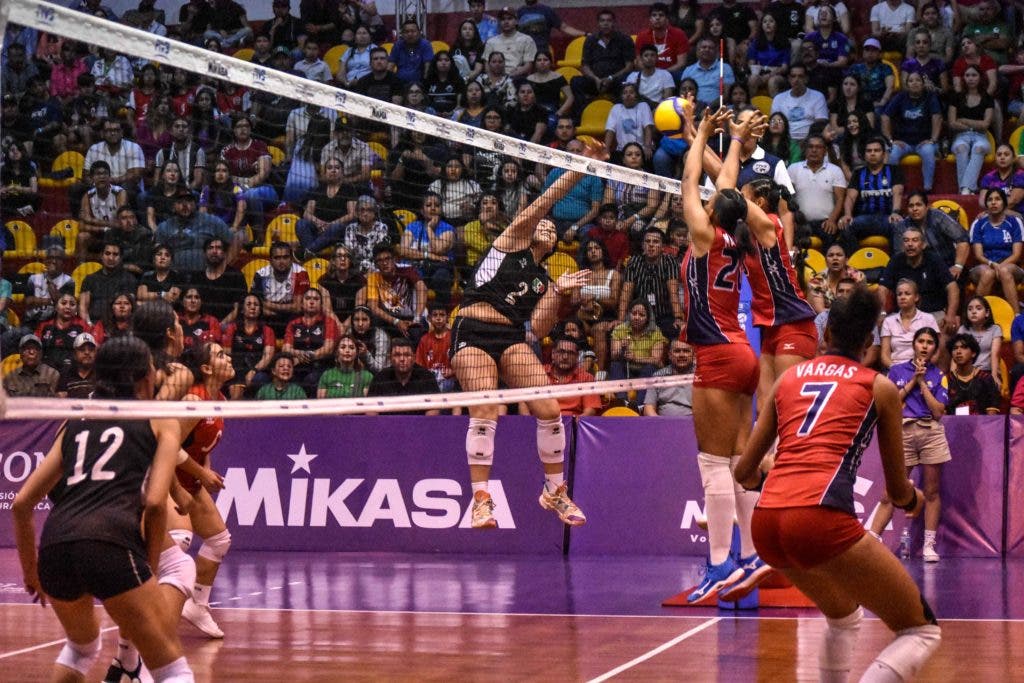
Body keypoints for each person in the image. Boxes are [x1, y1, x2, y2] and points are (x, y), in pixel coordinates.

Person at [734, 287, 940, 681]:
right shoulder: (879, 387)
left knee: (844, 617)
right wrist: (914, 499)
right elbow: (898, 492)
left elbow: (744, 473)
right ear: (868, 342)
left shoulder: (789, 378)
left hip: (766, 524)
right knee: (921, 629)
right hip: (820, 517)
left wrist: (775, 479)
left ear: (826, 335)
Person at [12, 336, 195, 683]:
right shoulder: (161, 419)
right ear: (143, 376)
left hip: (56, 547)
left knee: (81, 649)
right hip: (110, 543)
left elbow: (22, 504)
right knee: (173, 670)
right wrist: (149, 569)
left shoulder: (74, 421)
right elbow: (156, 503)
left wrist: (30, 573)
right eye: (153, 368)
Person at [450, 143, 604, 529]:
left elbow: (537, 329)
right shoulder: (511, 242)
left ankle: (555, 492)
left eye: (554, 229)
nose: (549, 227)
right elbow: (548, 198)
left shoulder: (542, 279)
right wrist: (583, 167)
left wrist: (558, 292)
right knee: (486, 408)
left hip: (511, 338)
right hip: (473, 329)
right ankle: (481, 500)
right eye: (545, 224)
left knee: (550, 410)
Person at [678, 108, 771, 603]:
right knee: (738, 460)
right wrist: (731, 139)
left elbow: (693, 177)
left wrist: (703, 135)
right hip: (741, 352)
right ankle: (753, 555)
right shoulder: (736, 236)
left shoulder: (703, 234)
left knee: (712, 463)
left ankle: (719, 565)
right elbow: (726, 182)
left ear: (714, 211)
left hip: (716, 353)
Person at [170, 341, 236, 640]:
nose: (229, 356)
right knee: (178, 545)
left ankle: (197, 606)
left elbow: (199, 444)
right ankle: (153, 612)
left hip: (191, 479)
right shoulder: (192, 400)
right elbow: (168, 448)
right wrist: (202, 474)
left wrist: (205, 469)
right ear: (206, 368)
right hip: (167, 479)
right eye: (221, 354)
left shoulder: (219, 398)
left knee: (219, 540)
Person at [870, 326, 950, 563]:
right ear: (914, 344)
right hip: (902, 431)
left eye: (930, 342)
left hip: (930, 431)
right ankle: (872, 539)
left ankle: (928, 546)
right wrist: (912, 381)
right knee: (891, 491)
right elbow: (890, 401)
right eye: (921, 341)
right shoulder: (896, 371)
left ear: (935, 348)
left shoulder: (939, 374)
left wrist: (923, 383)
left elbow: (938, 412)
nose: (925, 345)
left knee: (932, 491)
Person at [789, 136, 852, 256]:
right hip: (800, 222)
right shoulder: (793, 169)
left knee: (832, 236)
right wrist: (792, 220)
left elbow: (840, 199)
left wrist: (832, 220)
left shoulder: (835, 170)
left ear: (825, 151)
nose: (814, 150)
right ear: (805, 150)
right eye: (811, 147)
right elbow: (788, 199)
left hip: (825, 222)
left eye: (818, 147)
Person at [881, 72, 943, 193]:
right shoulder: (900, 97)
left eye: (918, 80)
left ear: (923, 83)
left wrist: (933, 139)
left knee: (929, 151)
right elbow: (885, 117)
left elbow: (938, 117)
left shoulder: (930, 96)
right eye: (911, 81)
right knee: (892, 153)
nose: (914, 83)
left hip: (924, 142)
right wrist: (890, 140)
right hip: (903, 142)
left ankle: (927, 188)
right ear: (907, 84)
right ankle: (893, 188)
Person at [838, 136, 905, 246]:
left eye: (877, 150)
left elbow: (898, 194)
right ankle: (853, 260)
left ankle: (896, 262)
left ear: (883, 154)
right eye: (869, 151)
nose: (872, 154)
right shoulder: (858, 173)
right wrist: (847, 215)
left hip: (887, 218)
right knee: (845, 225)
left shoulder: (894, 171)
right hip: (863, 218)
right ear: (864, 155)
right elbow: (850, 197)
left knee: (899, 225)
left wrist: (895, 213)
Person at [969, 188, 1024, 315]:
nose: (993, 202)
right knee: (988, 273)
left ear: (1004, 203)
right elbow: (978, 255)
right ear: (986, 204)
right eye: (990, 200)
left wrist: (1000, 266)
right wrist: (992, 264)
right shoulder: (979, 223)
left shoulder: (1015, 222)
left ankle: (1017, 318)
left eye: (997, 199)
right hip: (985, 264)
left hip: (1010, 264)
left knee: (1004, 271)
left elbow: (1016, 254)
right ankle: (972, 315)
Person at [894, 191, 969, 276]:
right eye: (911, 206)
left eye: (919, 205)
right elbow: (900, 254)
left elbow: (963, 239)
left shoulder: (938, 217)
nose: (915, 209)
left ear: (927, 207)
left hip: (948, 267)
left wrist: (958, 266)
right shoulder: (902, 226)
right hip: (919, 271)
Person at [281, 288, 339, 396]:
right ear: (302, 304)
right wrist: (299, 354)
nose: (311, 301)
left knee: (311, 380)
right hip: (297, 366)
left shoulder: (329, 322)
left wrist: (307, 356)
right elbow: (286, 348)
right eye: (308, 298)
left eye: (316, 299)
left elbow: (328, 348)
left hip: (321, 366)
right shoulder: (293, 324)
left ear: (321, 305)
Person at [366, 337, 441, 414]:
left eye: (407, 355)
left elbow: (434, 408)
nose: (402, 359)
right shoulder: (380, 378)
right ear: (390, 358)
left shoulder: (427, 377)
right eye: (397, 355)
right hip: (387, 425)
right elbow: (371, 409)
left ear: (414, 358)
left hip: (418, 425)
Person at [222, 294, 276, 399]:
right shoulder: (232, 328)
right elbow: (226, 354)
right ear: (242, 309)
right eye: (249, 304)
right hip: (235, 369)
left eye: (256, 305)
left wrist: (253, 371)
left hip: (257, 371)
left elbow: (267, 357)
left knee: (260, 379)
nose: (252, 307)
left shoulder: (267, 330)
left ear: (260, 310)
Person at [881, 279, 939, 369]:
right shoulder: (888, 321)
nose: (902, 297)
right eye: (899, 294)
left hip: (922, 367)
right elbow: (884, 355)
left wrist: (923, 367)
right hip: (896, 368)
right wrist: (897, 370)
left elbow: (936, 351)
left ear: (916, 297)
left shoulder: (928, 319)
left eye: (907, 294)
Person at [79, 240, 138, 327]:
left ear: (121, 257)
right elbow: (83, 307)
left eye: (115, 254)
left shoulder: (129, 279)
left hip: (119, 327)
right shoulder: (90, 279)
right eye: (107, 253)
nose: (111, 258)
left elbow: (129, 309)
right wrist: (89, 325)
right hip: (94, 325)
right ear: (101, 256)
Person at [945, 333, 1002, 415]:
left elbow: (991, 414)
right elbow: (943, 413)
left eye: (964, 347)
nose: (958, 351)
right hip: (954, 426)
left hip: (981, 426)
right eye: (955, 348)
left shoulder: (986, 379)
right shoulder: (947, 379)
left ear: (973, 353)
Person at [958, 295, 1003, 389]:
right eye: (970, 309)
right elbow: (957, 354)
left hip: (987, 371)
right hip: (966, 372)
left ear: (987, 313)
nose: (973, 312)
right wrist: (953, 376)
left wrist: (994, 376)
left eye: (978, 308)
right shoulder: (963, 329)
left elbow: (995, 355)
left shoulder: (995, 329)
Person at [643, 339, 695, 416]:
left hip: (693, 424)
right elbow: (648, 407)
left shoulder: (702, 376)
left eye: (686, 351)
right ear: (670, 355)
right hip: (664, 424)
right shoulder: (658, 376)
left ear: (693, 355)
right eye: (677, 351)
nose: (681, 355)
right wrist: (659, 423)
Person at [807, 244, 865, 313]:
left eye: (839, 255)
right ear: (826, 261)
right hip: (825, 320)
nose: (835, 258)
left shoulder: (858, 277)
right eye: (831, 255)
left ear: (846, 260)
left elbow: (863, 305)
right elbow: (820, 311)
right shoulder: (816, 281)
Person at [415, 305, 455, 393]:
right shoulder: (424, 340)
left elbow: (462, 364)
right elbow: (419, 366)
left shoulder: (454, 338)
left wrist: (453, 371)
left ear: (447, 317)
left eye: (442, 315)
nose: (438, 318)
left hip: (449, 380)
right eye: (435, 315)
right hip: (430, 382)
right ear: (429, 318)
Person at [57, 332, 98, 399]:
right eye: (82, 349)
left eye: (91, 350)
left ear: (95, 353)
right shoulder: (65, 375)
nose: (87, 352)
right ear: (74, 354)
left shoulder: (102, 375)